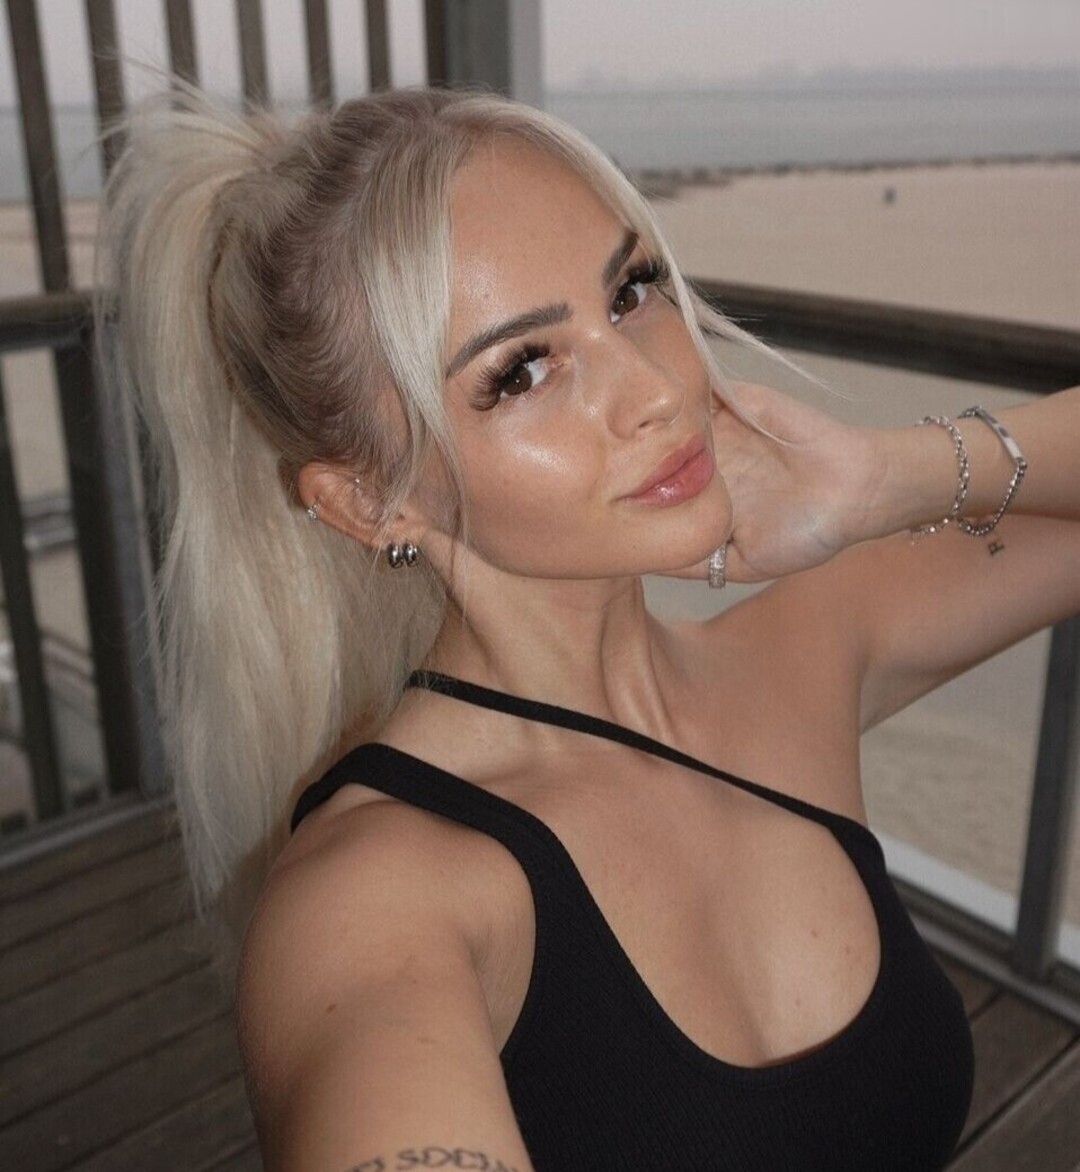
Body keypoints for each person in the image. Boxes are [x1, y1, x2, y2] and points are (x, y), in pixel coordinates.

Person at [99, 85, 1080, 1172]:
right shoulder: (374, 899)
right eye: (521, 370)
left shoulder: (801, 652)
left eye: (631, 290)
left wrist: (880, 480)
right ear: (373, 502)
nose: (655, 386)